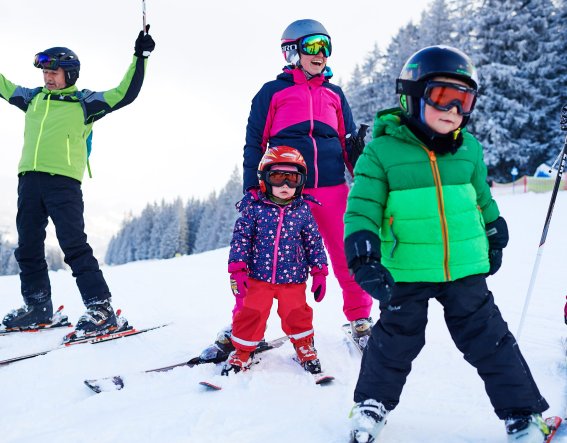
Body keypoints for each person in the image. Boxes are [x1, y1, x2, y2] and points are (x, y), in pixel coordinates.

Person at [344, 46, 549, 443]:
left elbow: (480, 196)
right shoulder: (381, 152)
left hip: (463, 267)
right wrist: (364, 252)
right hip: (405, 267)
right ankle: (371, 405)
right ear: (412, 94)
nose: (454, 109)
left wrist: (493, 227)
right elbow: (362, 207)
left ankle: (523, 415)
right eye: (442, 96)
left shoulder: (468, 148)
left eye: (464, 99)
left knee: (491, 340)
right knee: (395, 342)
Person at [207, 18, 373, 361]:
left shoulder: (335, 94)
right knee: (261, 261)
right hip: (285, 191)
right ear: (292, 51)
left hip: (331, 188)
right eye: (313, 46)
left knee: (346, 255)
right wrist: (253, 188)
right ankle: (242, 326)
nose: (321, 54)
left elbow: (348, 142)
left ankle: (360, 320)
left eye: (326, 47)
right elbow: (255, 142)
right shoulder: (272, 92)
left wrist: (361, 170)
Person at [0, 26, 156, 338]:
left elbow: (126, 92)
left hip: (63, 185)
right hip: (29, 181)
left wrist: (141, 56)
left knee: (74, 247)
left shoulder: (85, 103)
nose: (48, 77)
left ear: (70, 74)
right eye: (45, 72)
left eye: (54, 72)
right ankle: (37, 306)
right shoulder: (31, 98)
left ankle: (101, 308)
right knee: (28, 247)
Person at [221, 146, 328, 375]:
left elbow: (314, 242)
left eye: (292, 178)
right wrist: (237, 270)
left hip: (294, 279)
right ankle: (242, 351)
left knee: (297, 314)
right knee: (251, 314)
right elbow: (241, 239)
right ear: (264, 179)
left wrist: (320, 271)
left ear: (301, 182)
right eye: (278, 177)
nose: (285, 186)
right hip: (258, 277)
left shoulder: (302, 211)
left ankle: (304, 346)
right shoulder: (254, 208)